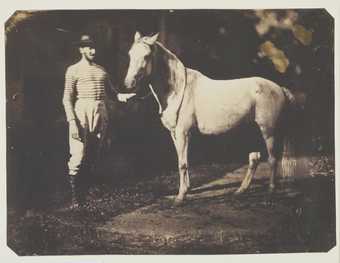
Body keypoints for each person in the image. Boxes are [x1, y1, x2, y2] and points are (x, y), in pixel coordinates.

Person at [62, 34, 135, 208]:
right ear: (81, 49)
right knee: (78, 154)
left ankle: (85, 194)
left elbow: (113, 93)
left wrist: (123, 96)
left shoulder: (101, 70)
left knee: (94, 154)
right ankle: (75, 199)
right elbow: (66, 98)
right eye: (88, 47)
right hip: (82, 111)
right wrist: (72, 121)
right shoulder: (73, 70)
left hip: (100, 111)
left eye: (94, 47)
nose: (92, 50)